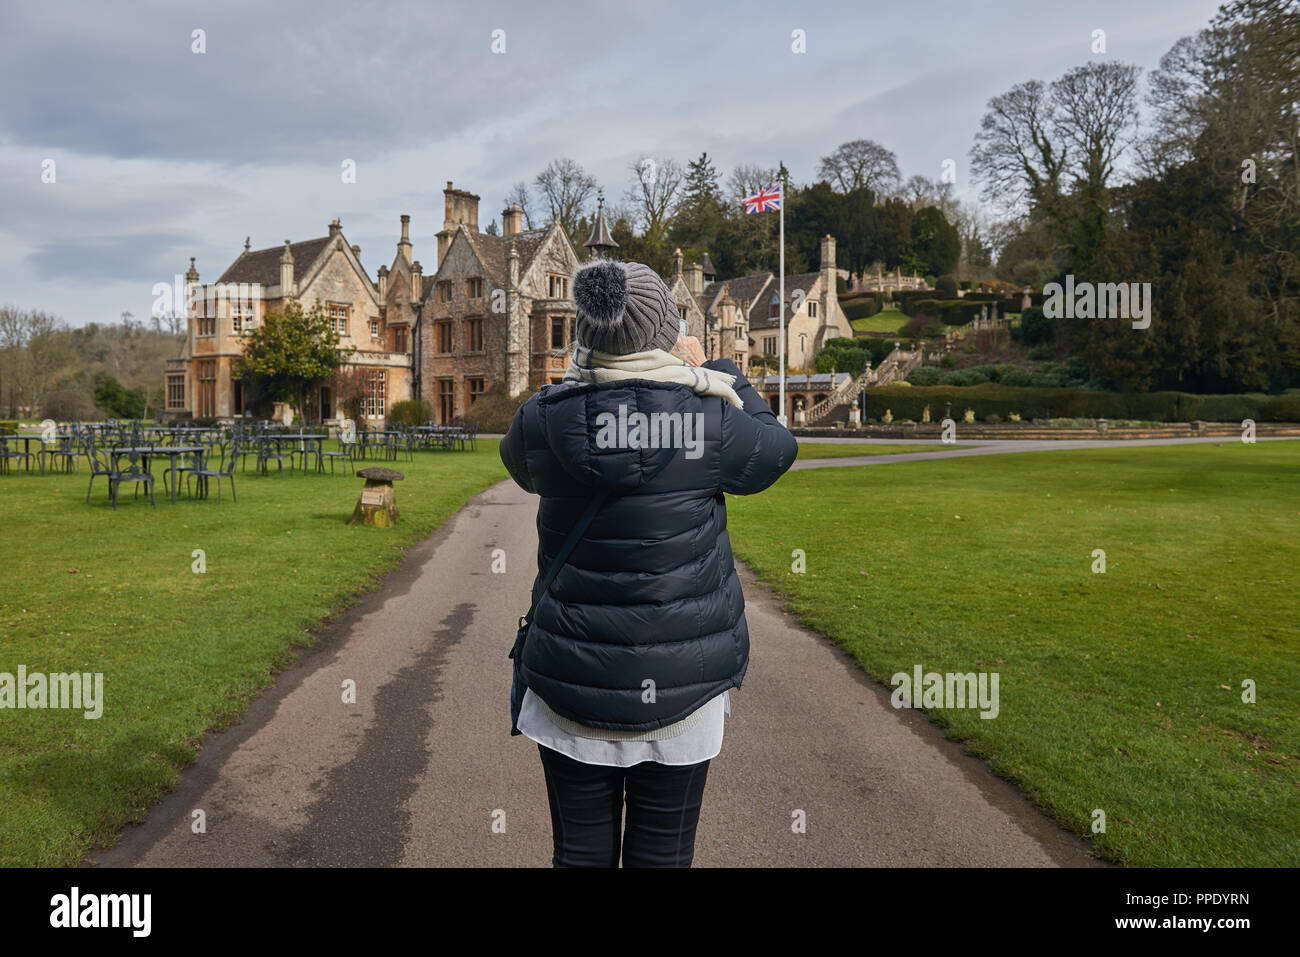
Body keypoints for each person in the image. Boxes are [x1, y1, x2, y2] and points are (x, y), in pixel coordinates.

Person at [500, 257, 797, 867]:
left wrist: (582, 375)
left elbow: (522, 467)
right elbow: (777, 449)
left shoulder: (543, 417)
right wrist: (718, 373)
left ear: (586, 336)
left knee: (579, 855)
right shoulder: (711, 418)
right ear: (664, 331)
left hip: (571, 676)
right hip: (683, 680)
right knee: (662, 854)